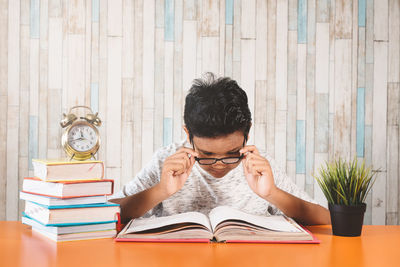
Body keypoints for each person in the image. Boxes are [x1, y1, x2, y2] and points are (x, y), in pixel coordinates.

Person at [109, 73, 330, 225]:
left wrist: (271, 192)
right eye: (206, 155)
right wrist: (161, 191)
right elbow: (108, 215)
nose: (219, 165)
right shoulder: (165, 161)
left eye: (232, 154)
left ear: (247, 133)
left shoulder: (260, 166)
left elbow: (325, 219)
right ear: (188, 135)